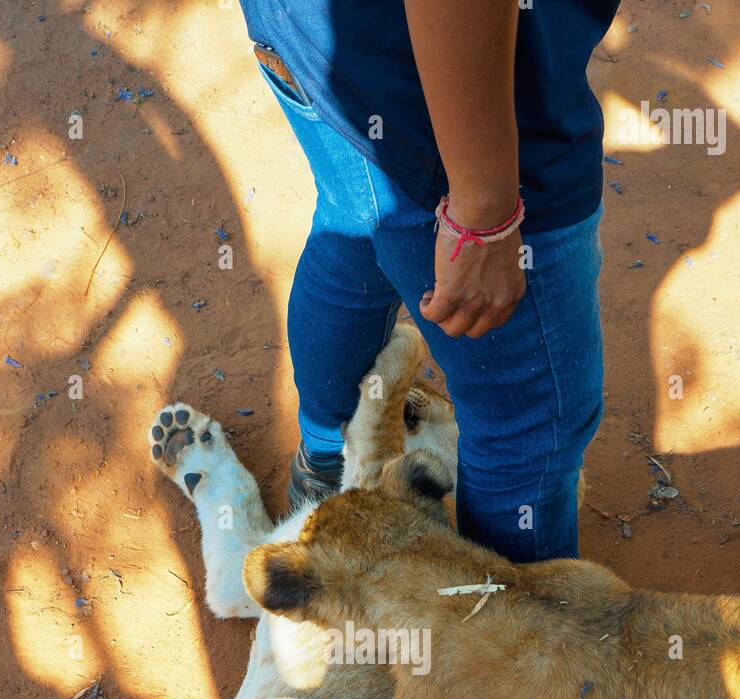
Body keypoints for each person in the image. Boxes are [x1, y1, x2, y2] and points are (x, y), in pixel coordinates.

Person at [237, 0, 620, 561]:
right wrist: (484, 215)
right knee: (530, 418)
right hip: (442, 97)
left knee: (355, 221)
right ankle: (500, 639)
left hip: (304, 34)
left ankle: (325, 461)